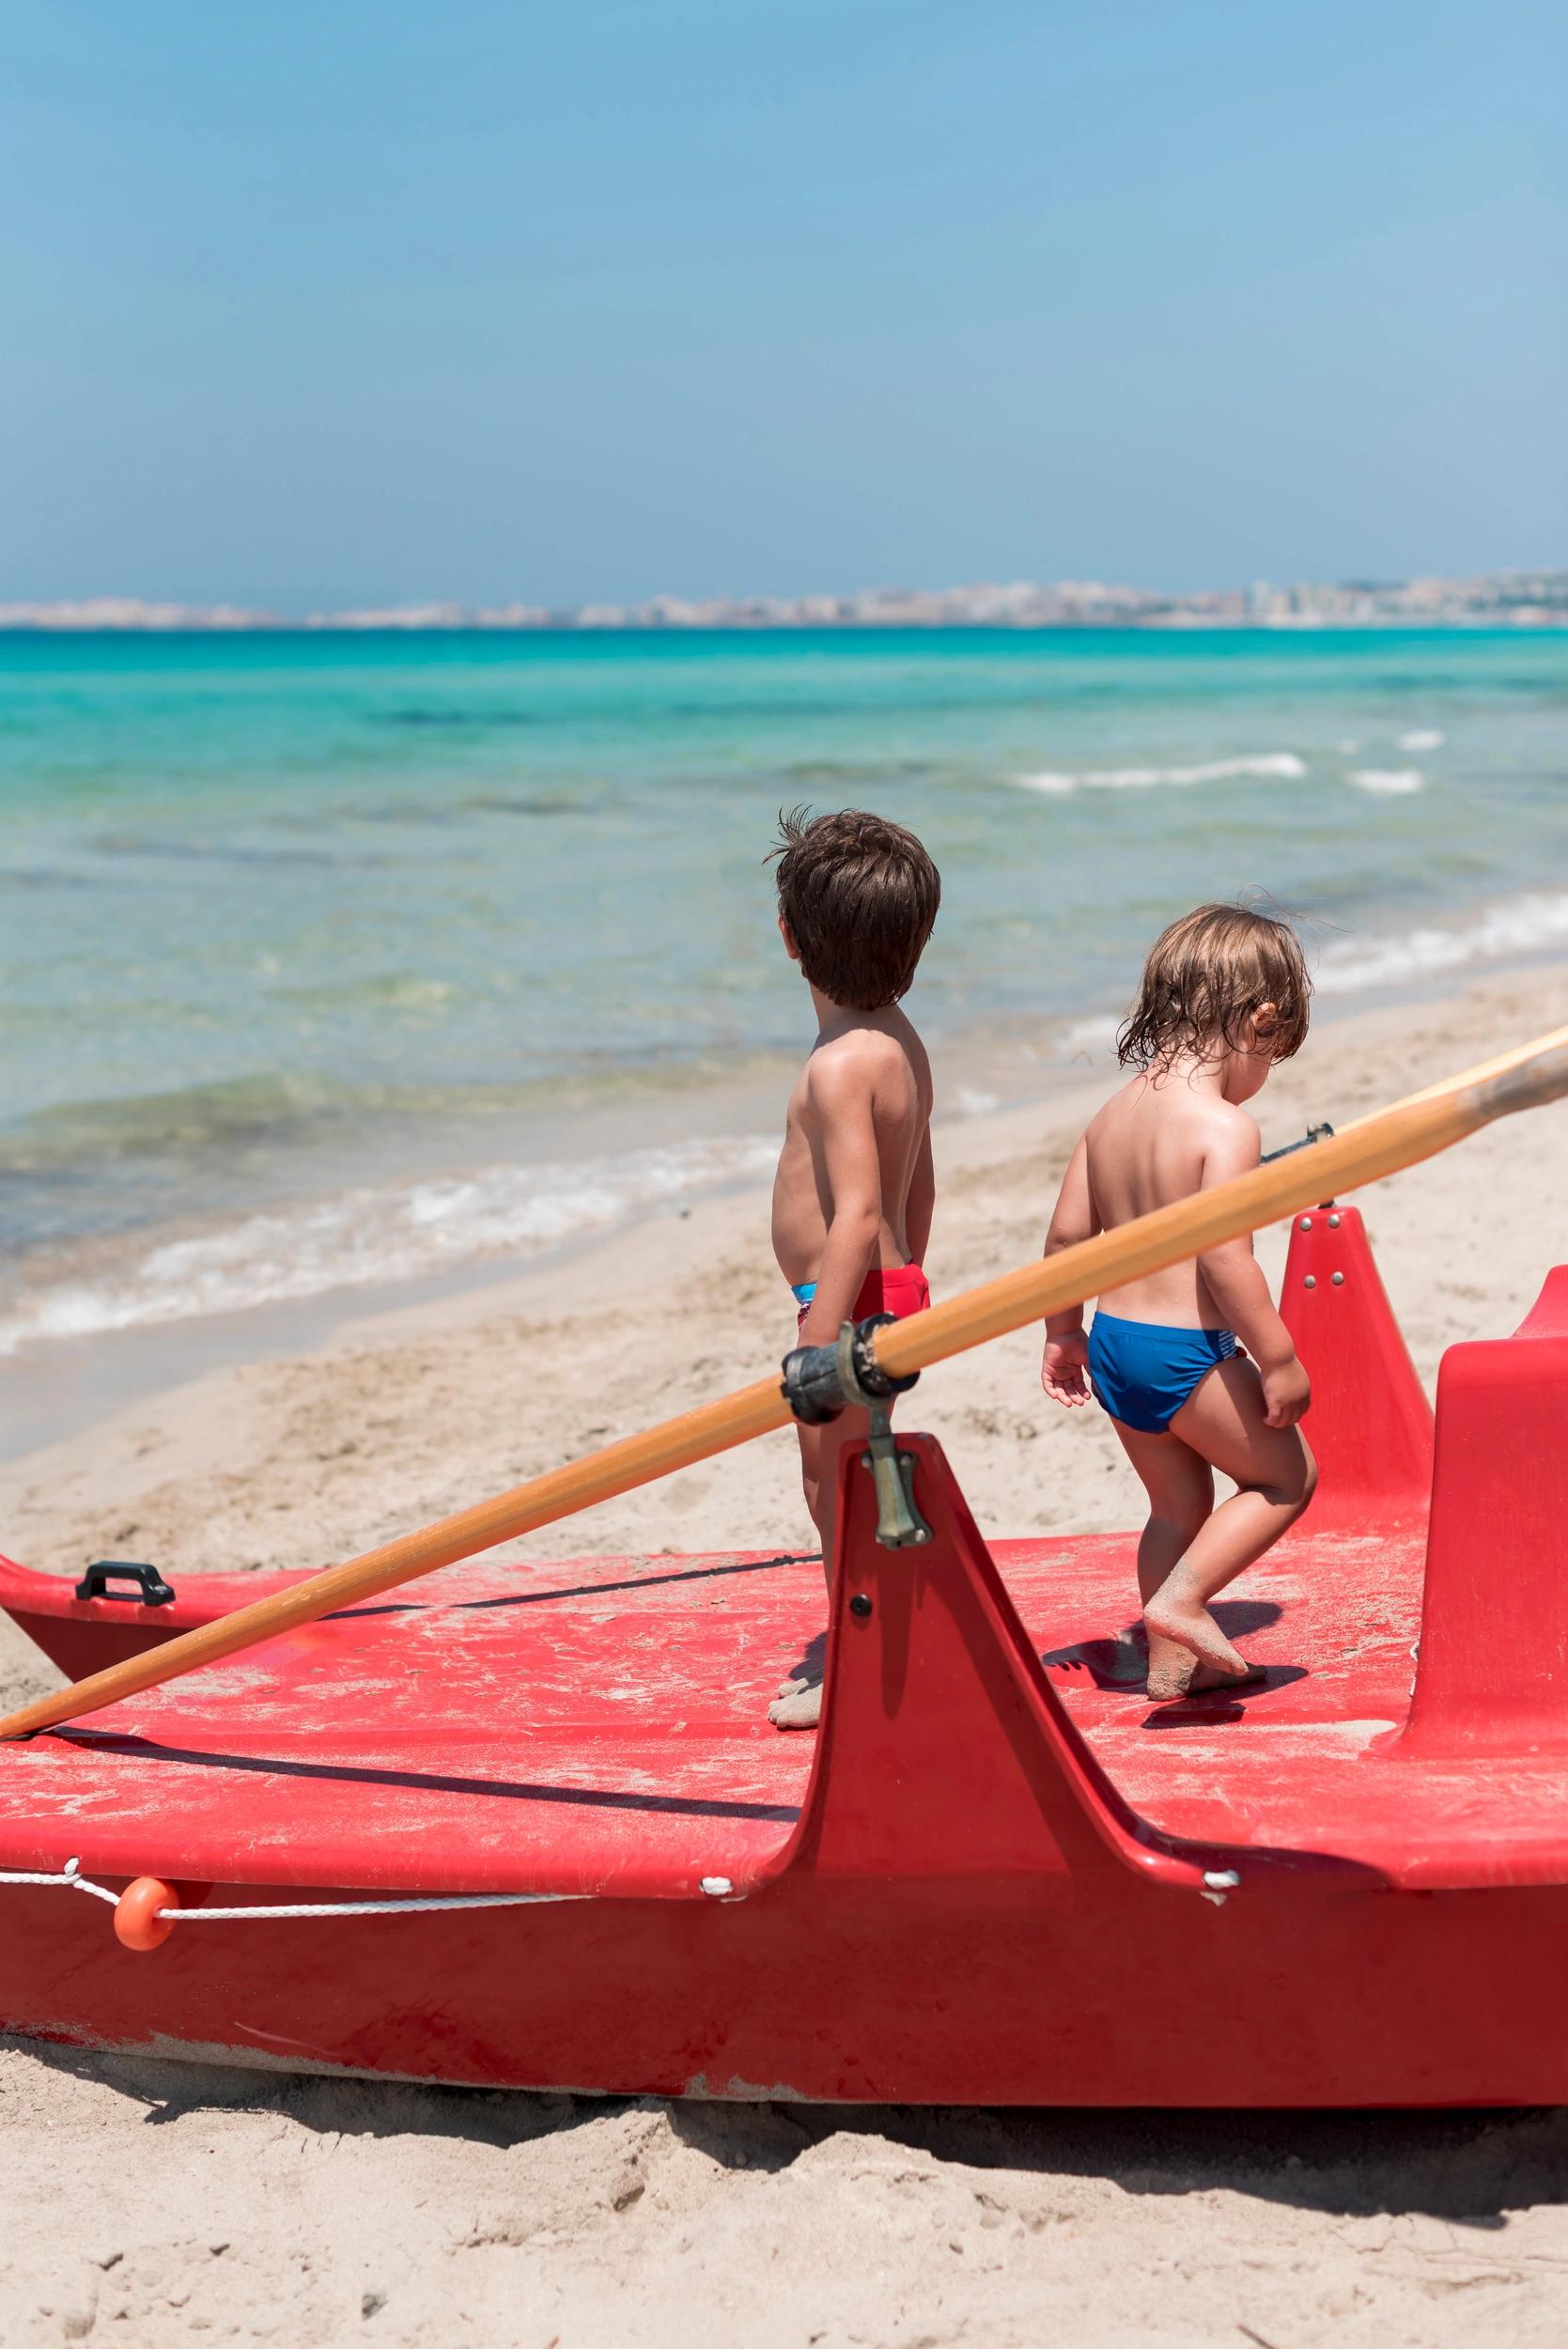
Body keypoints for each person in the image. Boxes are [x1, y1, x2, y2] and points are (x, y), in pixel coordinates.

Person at [1040, 904, 1318, 1700]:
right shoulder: (1225, 1127)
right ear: (1259, 1023)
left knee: (1174, 1507)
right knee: (1285, 1480)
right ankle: (1184, 1600)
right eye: (1272, 1054)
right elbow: (1226, 1261)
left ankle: (1173, 1663)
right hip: (1182, 1351)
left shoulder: (1109, 1117)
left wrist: (1063, 1335)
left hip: (1115, 1345)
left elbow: (1064, 1244)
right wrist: (1278, 1358)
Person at [768, 806, 941, 1731]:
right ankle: (877, 1613)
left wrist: (818, 1342)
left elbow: (859, 1211)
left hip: (846, 1303)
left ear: (790, 939)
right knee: (861, 1466)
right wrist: (912, 1282)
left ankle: (854, 1647)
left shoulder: (839, 1065)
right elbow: (921, 1181)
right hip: (888, 1291)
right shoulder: (900, 1041)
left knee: (824, 1472)